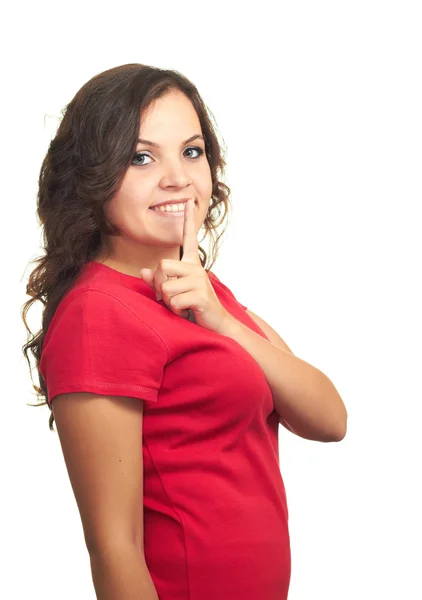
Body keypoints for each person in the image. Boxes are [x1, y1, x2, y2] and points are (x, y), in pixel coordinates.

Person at [22, 63, 347, 600]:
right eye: (141, 157)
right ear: (92, 177)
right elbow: (114, 548)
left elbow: (329, 419)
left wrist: (220, 320)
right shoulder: (97, 314)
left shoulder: (202, 292)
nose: (178, 177)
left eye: (192, 151)